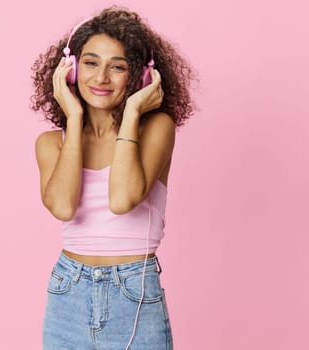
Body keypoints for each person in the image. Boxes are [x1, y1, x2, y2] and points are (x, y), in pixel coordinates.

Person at [30, 6, 194, 350]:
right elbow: (62, 206)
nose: (101, 78)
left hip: (134, 291)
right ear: (70, 71)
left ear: (139, 77)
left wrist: (133, 111)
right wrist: (73, 117)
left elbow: (122, 199)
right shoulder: (51, 143)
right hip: (68, 290)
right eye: (90, 63)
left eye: (117, 67)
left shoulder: (156, 129)